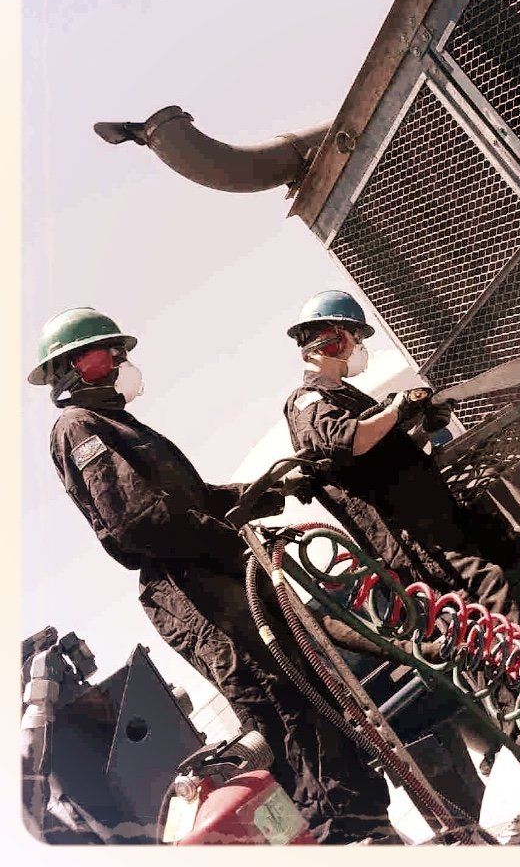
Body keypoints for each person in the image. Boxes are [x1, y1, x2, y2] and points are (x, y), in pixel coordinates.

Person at [28, 307, 396, 844]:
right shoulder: (78, 426)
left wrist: (264, 493)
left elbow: (191, 502)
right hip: (187, 590)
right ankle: (340, 830)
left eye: (120, 352)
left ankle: (360, 818)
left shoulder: (122, 426)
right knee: (278, 697)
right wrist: (228, 539)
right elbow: (140, 523)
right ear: (72, 368)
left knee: (303, 683)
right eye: (108, 353)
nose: (121, 363)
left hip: (213, 576)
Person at [285, 290, 519, 620]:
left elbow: (384, 458)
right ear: (335, 341)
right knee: (484, 605)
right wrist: (398, 408)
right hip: (414, 540)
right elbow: (346, 441)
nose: (360, 348)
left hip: (435, 525)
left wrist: (426, 425)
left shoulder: (345, 397)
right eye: (356, 338)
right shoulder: (308, 400)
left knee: (490, 589)